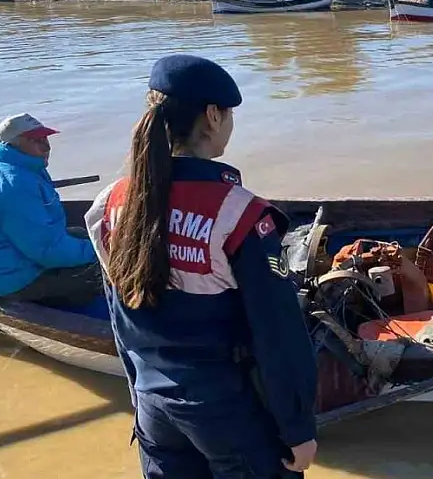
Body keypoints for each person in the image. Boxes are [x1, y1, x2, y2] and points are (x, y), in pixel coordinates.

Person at [83, 54, 318, 478]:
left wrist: (139, 393)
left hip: (154, 404)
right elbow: (278, 334)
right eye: (228, 114)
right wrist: (298, 428)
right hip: (226, 408)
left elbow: (120, 316)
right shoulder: (239, 214)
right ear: (212, 115)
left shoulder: (113, 203)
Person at [0, 113, 102, 309]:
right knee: (106, 269)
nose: (46, 146)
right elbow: (47, 251)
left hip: (8, 258)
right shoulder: (13, 185)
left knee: (84, 236)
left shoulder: (12, 165)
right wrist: (102, 253)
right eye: (35, 140)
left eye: (45, 138)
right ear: (12, 144)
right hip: (8, 278)